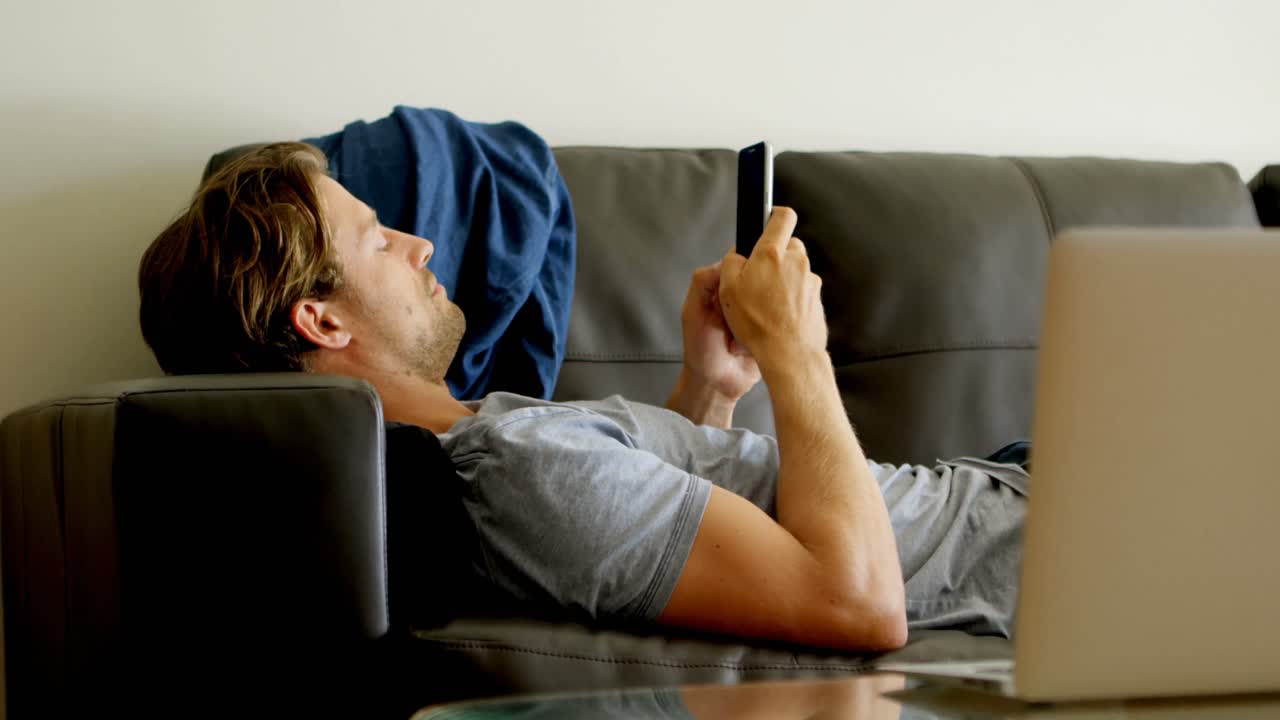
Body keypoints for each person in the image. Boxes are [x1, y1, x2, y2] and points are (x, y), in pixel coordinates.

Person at [138, 142, 1027, 652]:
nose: (419, 246)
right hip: (1031, 546)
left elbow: (664, 519)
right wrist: (801, 353)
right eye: (377, 240)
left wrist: (709, 391)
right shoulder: (517, 473)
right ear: (321, 323)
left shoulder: (500, 440)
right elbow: (858, 604)